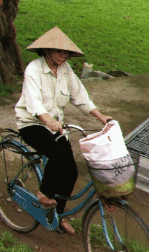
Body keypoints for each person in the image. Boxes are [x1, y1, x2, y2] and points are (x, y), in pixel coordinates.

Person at [14, 26, 113, 235]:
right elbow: (34, 103)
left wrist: (100, 116)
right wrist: (48, 120)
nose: (63, 55)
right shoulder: (33, 69)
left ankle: (57, 215)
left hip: (56, 126)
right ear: (47, 51)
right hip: (32, 124)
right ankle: (44, 194)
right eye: (59, 51)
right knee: (58, 156)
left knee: (71, 171)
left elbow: (80, 95)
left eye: (66, 52)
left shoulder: (66, 70)